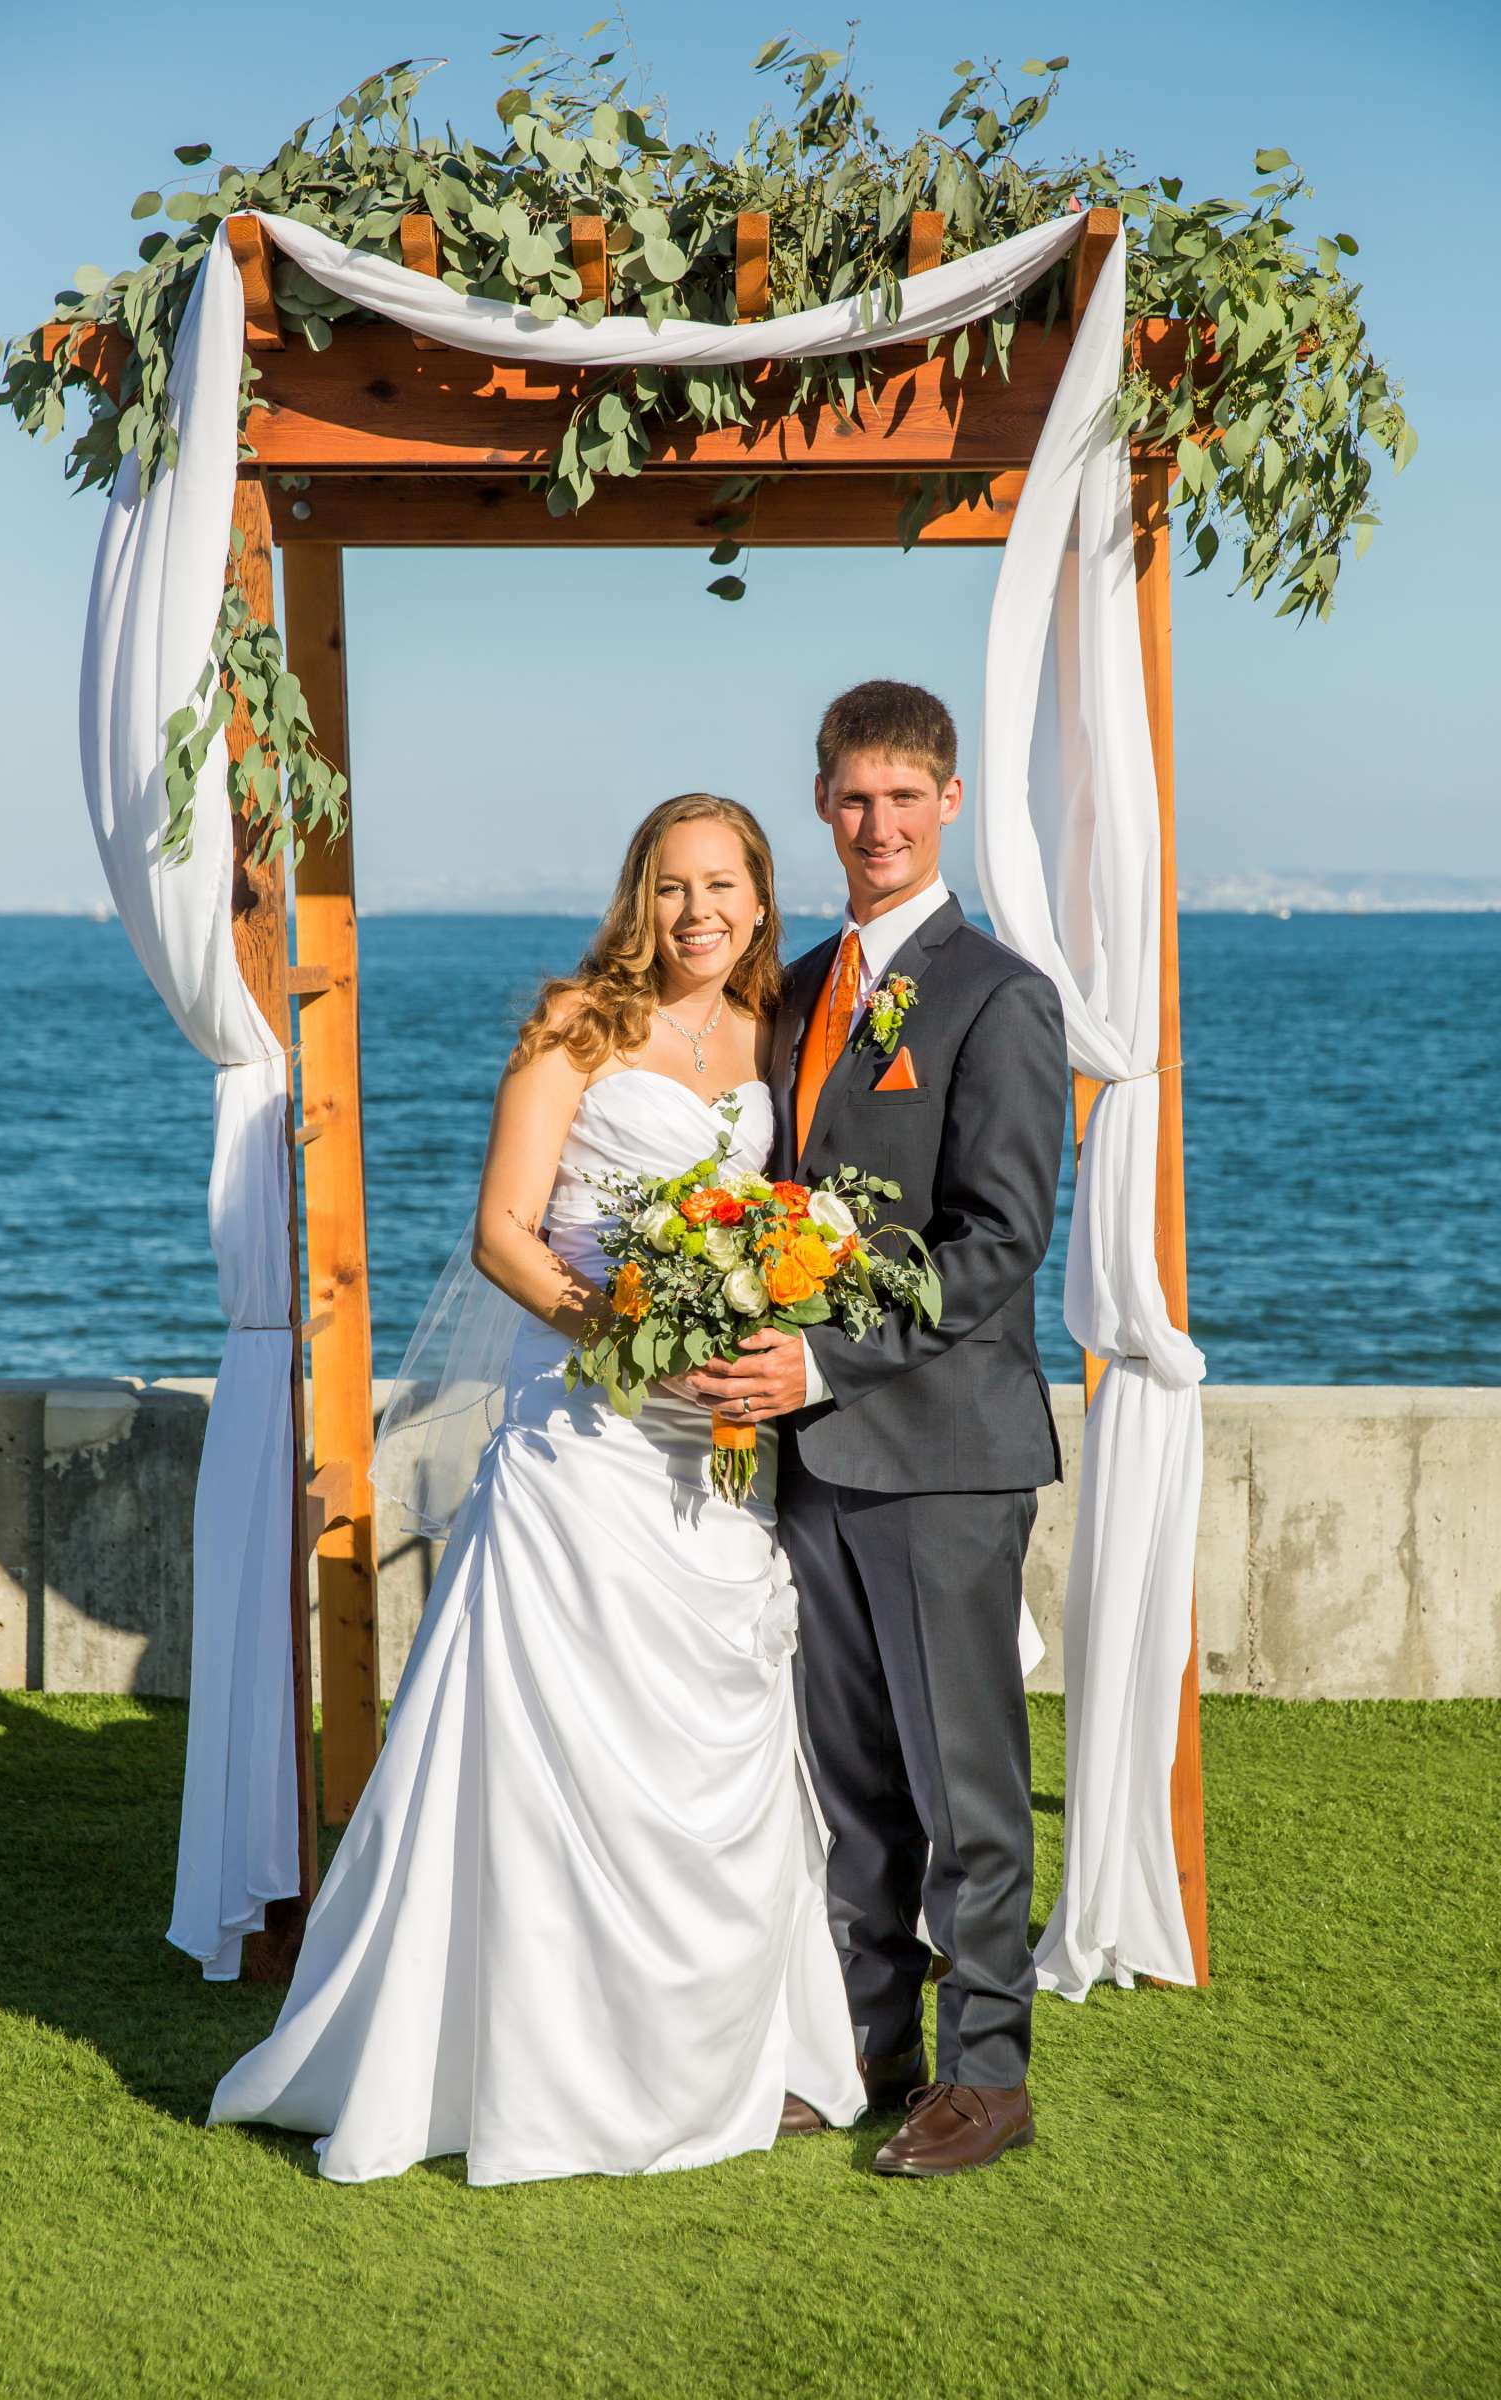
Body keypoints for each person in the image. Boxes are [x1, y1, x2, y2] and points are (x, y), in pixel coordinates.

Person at [207, 794, 866, 2186]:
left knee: (719, 1747)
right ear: (642, 896)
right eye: (672, 885)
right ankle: (531, 2062)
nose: (698, 911)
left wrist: (746, 1332)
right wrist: (630, 1332)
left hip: (717, 1464)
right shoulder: (576, 1024)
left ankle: (715, 2055)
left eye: (723, 885)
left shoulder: (781, 1037)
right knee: (554, 1764)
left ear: (760, 898)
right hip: (588, 1452)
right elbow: (503, 1236)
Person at [685, 681, 1068, 2177]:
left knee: (963, 1780)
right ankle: (866, 2046)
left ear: (948, 802)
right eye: (852, 798)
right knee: (849, 1780)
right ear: (822, 804)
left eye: (904, 797)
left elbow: (999, 1241)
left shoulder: (998, 995)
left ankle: (990, 2073)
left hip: (941, 1452)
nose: (878, 824)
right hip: (812, 1462)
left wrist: (825, 1363)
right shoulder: (791, 985)